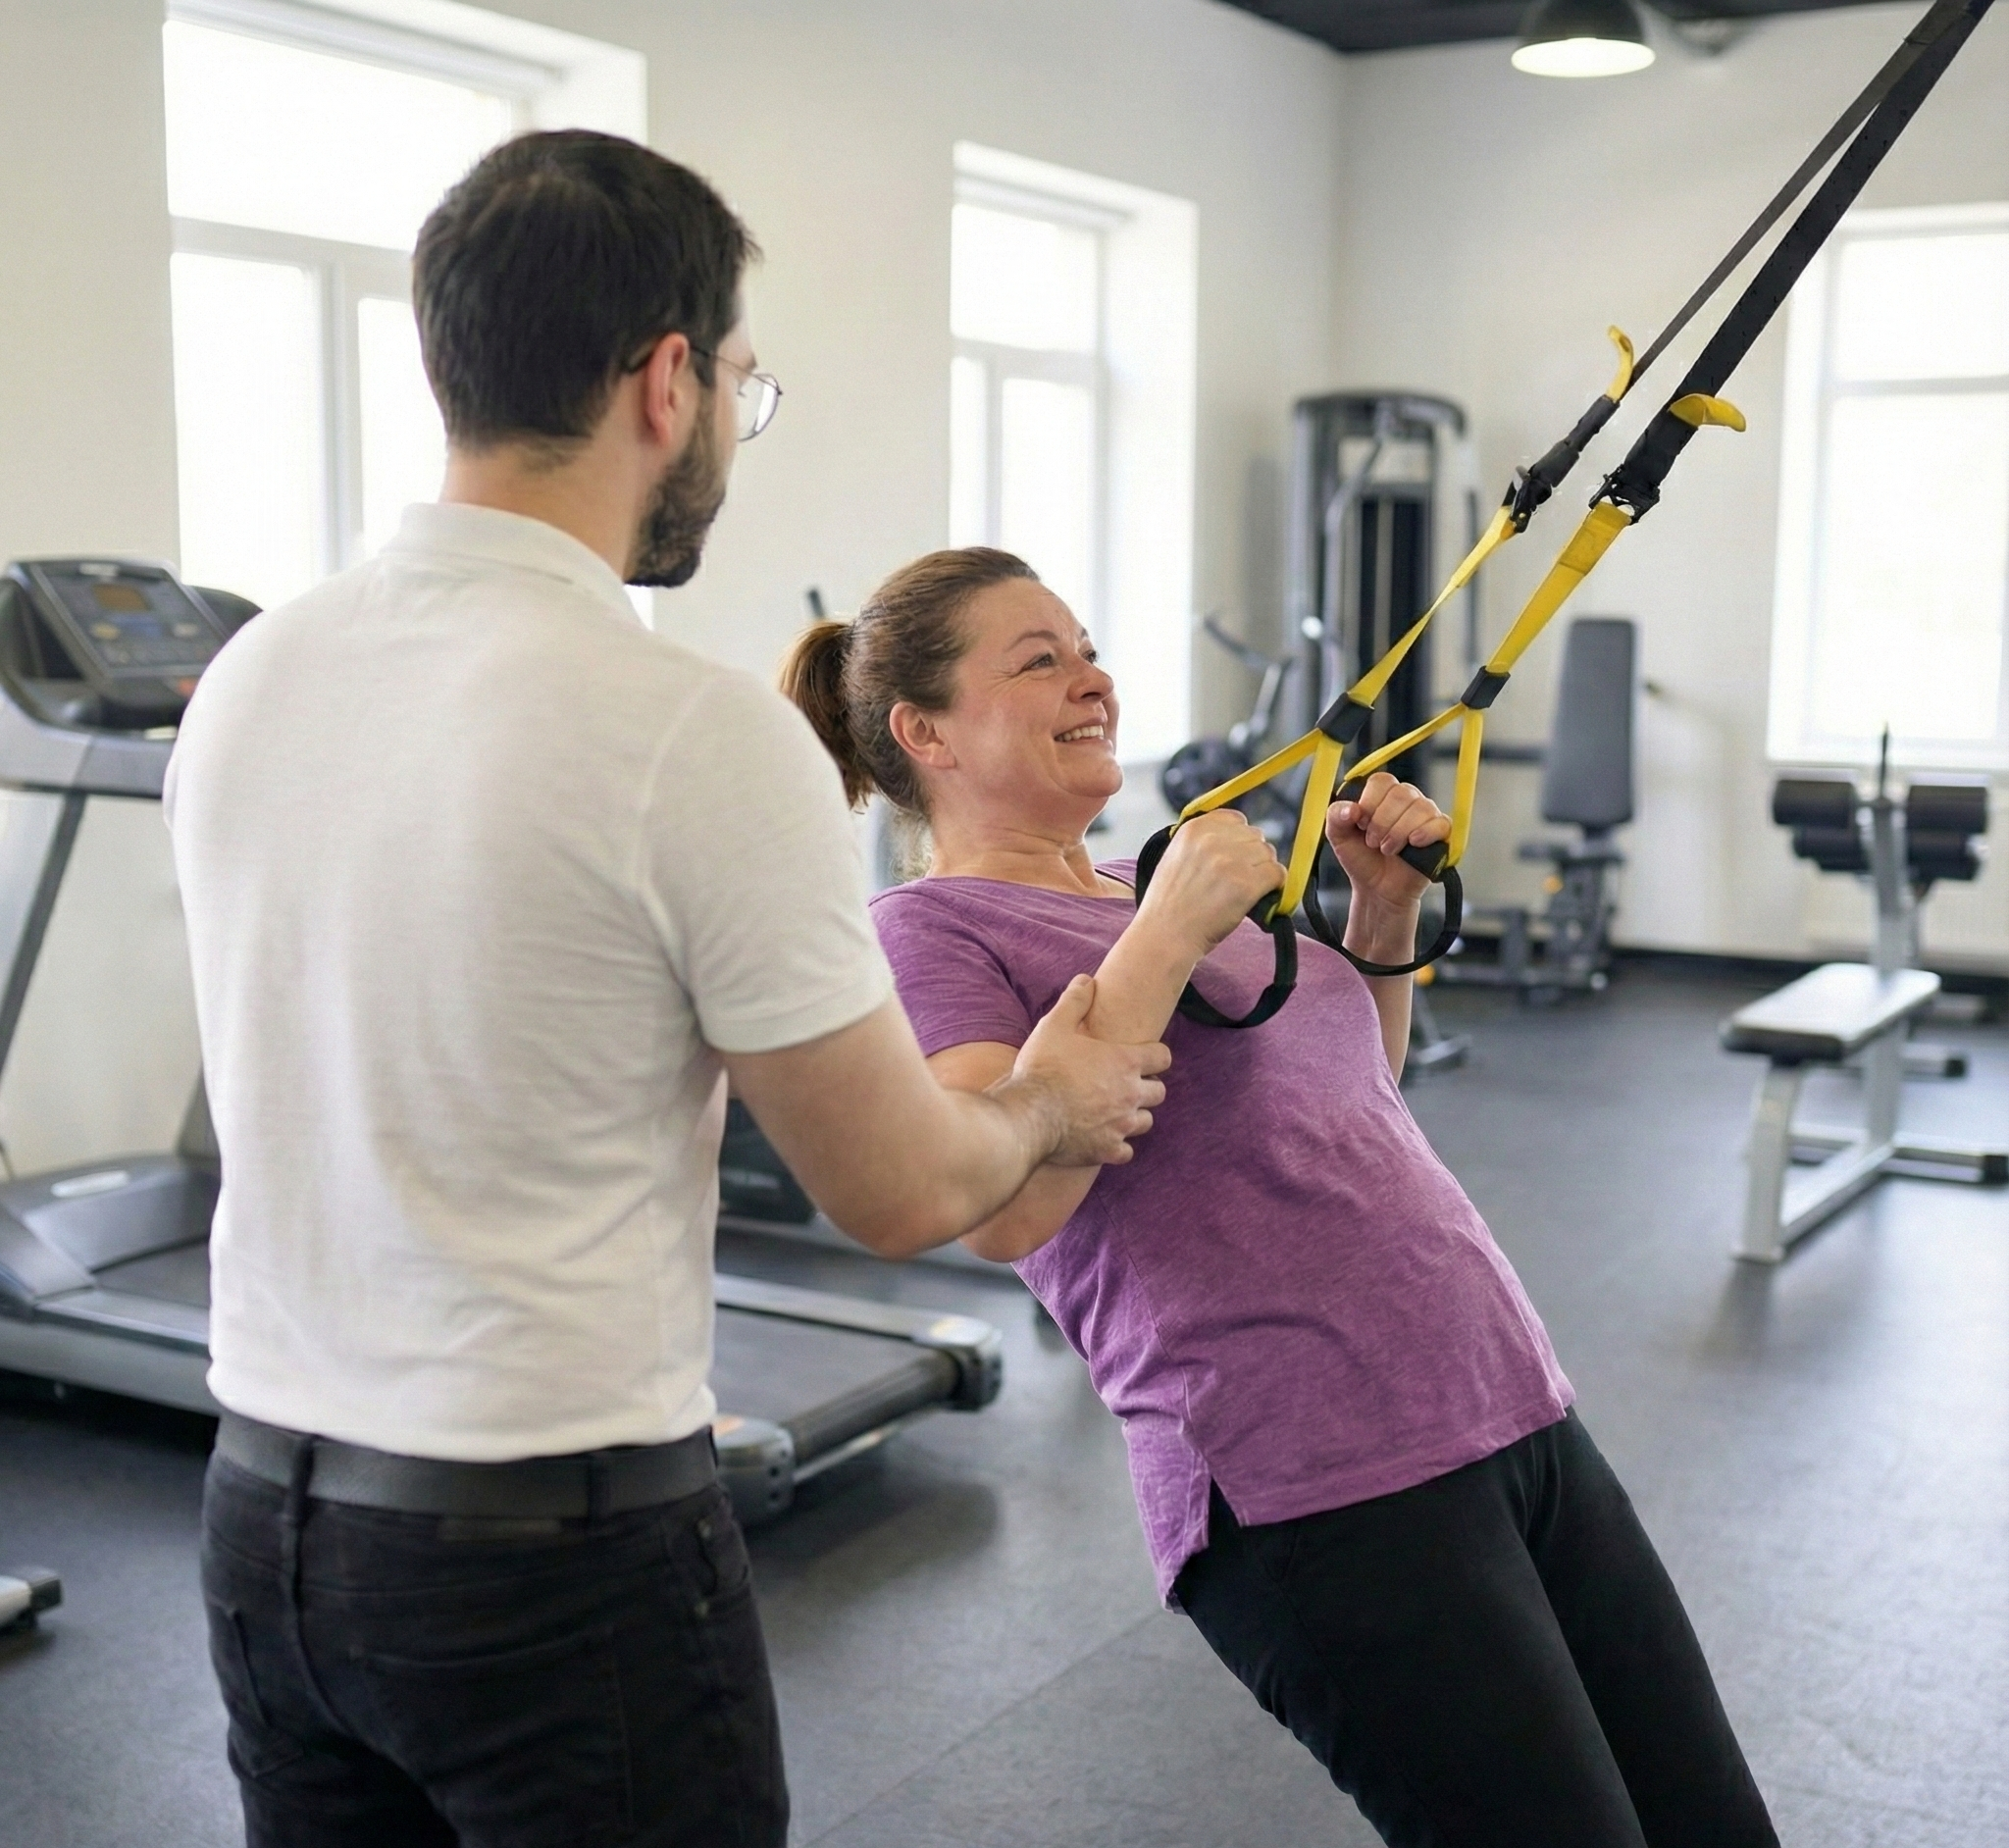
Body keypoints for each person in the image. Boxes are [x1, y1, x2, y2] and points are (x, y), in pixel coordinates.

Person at [165, 135, 1169, 1848]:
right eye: (741, 389)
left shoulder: (253, 671)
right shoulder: (688, 733)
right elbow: (903, 1185)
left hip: (265, 1528)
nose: (729, 435)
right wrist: (1054, 1103)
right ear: (666, 378)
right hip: (550, 1565)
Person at [782, 545, 1779, 1848]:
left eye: (1087, 644)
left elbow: (1350, 1091)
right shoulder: (932, 931)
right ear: (928, 733)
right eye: (1041, 661)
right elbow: (998, 1204)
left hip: (1505, 1403)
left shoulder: (1151, 891)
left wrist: (1380, 916)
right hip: (1313, 1478)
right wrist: (1167, 934)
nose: (1093, 676)